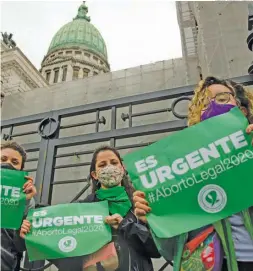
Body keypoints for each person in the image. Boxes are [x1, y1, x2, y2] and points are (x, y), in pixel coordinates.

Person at [133, 77, 253, 271]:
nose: (214, 105)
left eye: (222, 98)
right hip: (211, 264)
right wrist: (156, 217)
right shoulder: (185, 166)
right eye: (205, 104)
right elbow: (172, 250)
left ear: (242, 109)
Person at [20, 145, 160, 271]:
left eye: (114, 162)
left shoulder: (140, 203)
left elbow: (156, 249)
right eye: (102, 165)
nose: (109, 168)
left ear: (122, 169)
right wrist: (32, 228)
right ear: (95, 174)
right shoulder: (82, 209)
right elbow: (61, 245)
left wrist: (125, 226)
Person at [1, 141, 37, 271]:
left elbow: (20, 245)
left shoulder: (28, 200)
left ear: (21, 169)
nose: (8, 164)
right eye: (3, 159)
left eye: (14, 162)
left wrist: (24, 202)